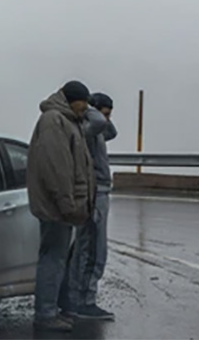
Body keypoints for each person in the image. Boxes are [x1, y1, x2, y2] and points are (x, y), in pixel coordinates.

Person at [26, 80, 96, 332]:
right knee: (52, 259)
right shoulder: (54, 121)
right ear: (71, 99)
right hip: (56, 207)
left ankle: (55, 309)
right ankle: (45, 313)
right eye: (83, 101)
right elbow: (57, 169)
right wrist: (67, 203)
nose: (86, 107)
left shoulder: (69, 122)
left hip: (64, 206)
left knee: (60, 259)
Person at [61, 92, 118, 321]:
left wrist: (101, 114)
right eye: (105, 113)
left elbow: (112, 132)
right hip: (94, 193)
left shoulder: (96, 128)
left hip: (99, 191)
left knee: (87, 247)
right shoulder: (86, 128)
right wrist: (91, 109)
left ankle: (78, 299)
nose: (107, 119)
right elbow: (100, 123)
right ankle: (84, 301)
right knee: (93, 249)